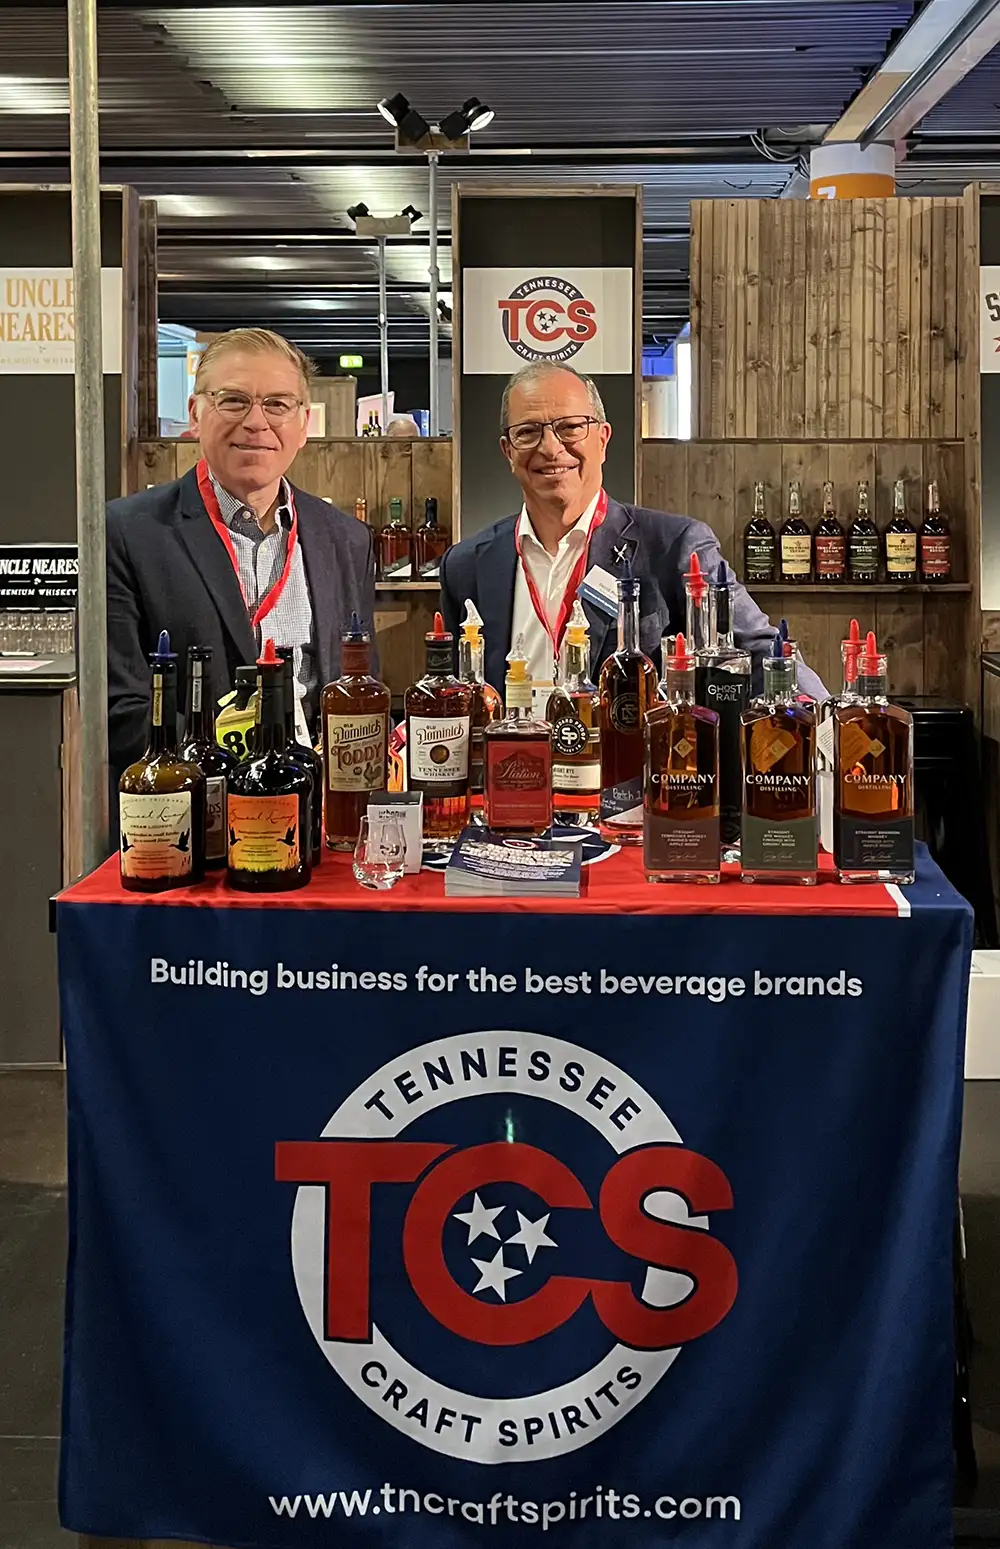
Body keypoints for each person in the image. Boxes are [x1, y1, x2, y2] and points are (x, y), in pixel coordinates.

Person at [439, 362, 826, 701]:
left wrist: (833, 735)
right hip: (511, 778)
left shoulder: (675, 546)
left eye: (571, 428)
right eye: (528, 432)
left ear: (603, 439)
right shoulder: (466, 566)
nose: (551, 448)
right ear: (508, 451)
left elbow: (764, 656)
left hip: (631, 781)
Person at [106, 328, 375, 784]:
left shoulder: (346, 539)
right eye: (233, 401)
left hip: (314, 804)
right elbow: (120, 707)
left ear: (304, 423)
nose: (256, 422)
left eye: (277, 404)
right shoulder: (129, 533)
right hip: (187, 809)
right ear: (195, 413)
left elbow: (354, 686)